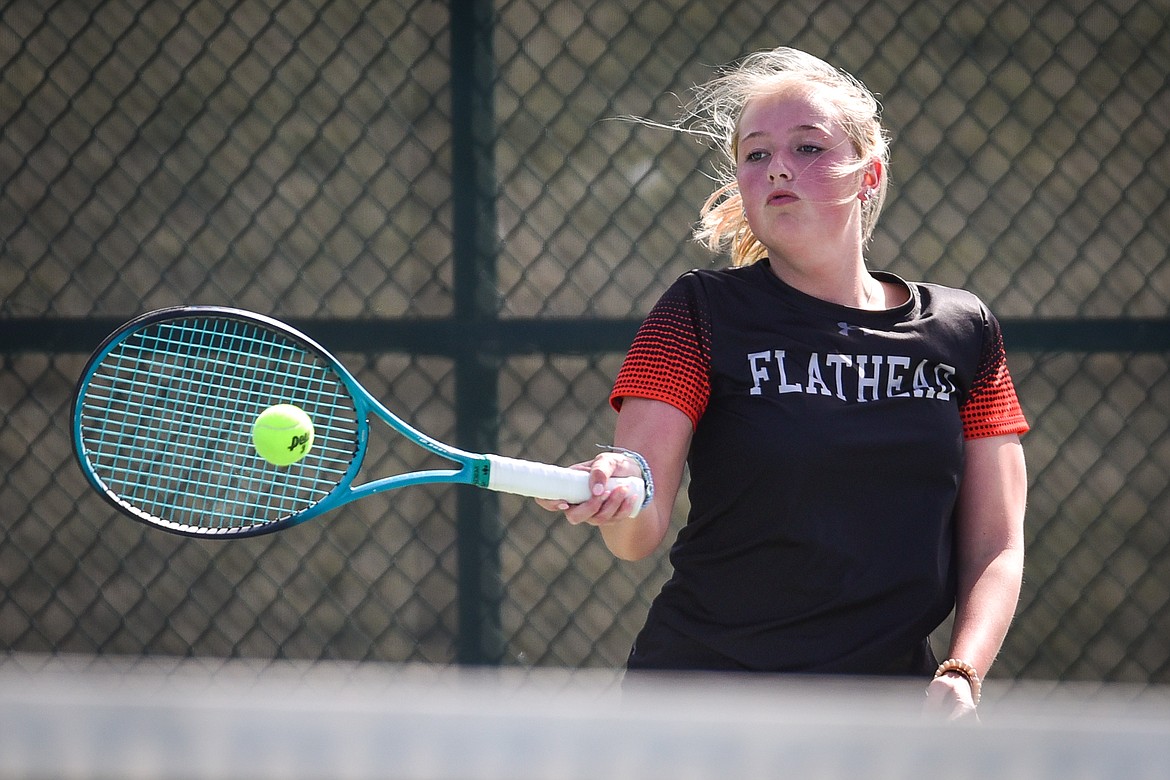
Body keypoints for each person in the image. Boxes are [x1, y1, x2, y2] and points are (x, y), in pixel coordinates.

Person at [539, 47, 1028, 721]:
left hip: (884, 718)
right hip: (703, 705)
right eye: (756, 155)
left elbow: (996, 543)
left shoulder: (963, 329)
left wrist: (961, 673)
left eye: (807, 146)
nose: (778, 169)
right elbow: (640, 525)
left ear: (870, 174)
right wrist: (620, 497)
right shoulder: (698, 312)